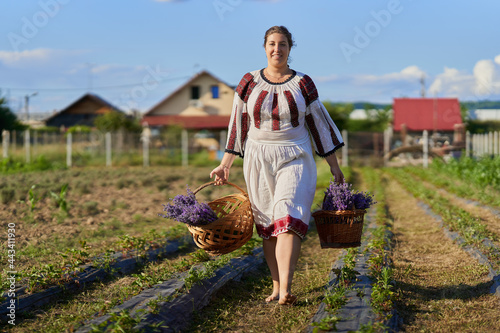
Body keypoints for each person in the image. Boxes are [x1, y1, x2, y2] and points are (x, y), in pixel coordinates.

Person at [210, 25, 344, 305]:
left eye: (282, 44)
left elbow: (318, 124)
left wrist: (334, 165)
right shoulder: (248, 81)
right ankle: (275, 286)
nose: (277, 49)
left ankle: (286, 288)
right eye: (272, 44)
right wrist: (225, 164)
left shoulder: (303, 83)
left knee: (288, 217)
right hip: (258, 157)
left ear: (290, 49)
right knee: (268, 224)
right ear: (264, 47)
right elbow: (238, 123)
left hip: (295, 154)